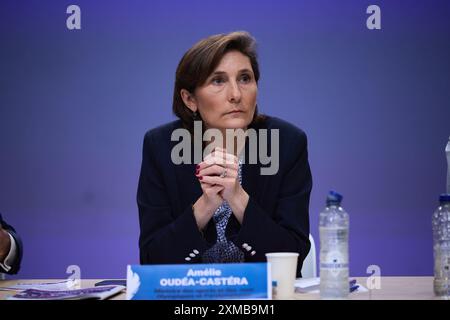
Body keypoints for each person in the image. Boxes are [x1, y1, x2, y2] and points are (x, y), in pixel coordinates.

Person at [137, 31, 312, 277]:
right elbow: (152, 260)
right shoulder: (161, 146)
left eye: (245, 78)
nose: (236, 94)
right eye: (218, 81)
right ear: (189, 99)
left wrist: (238, 197)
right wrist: (205, 206)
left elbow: (292, 257)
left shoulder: (286, 143)